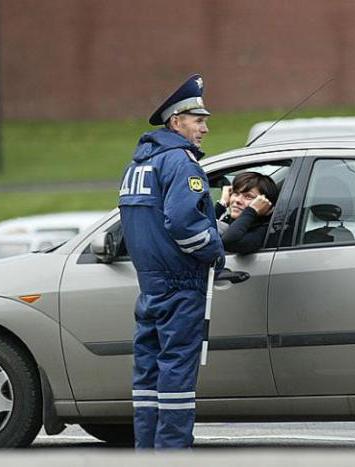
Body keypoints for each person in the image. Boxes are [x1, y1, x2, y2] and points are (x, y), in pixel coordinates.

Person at [118, 74, 225, 449]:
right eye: (199, 120)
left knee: (147, 379)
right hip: (181, 285)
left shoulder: (138, 166)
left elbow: (137, 224)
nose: (205, 129)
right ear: (176, 121)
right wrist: (213, 250)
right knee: (177, 377)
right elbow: (181, 222)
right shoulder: (180, 163)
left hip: (149, 287)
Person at [215, 172, 278, 254]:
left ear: (265, 204)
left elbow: (228, 241)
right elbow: (200, 229)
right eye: (236, 193)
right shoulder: (231, 220)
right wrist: (222, 204)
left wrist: (252, 210)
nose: (237, 200)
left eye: (248, 196)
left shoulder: (262, 232)